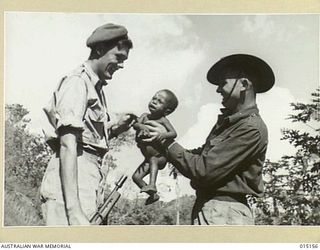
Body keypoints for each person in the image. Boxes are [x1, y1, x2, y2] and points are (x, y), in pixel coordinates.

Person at [144, 54, 275, 225]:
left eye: (223, 83)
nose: (218, 90)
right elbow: (201, 157)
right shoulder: (231, 123)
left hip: (223, 213)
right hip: (214, 210)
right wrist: (162, 149)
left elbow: (203, 170)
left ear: (243, 84)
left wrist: (165, 142)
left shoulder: (250, 128)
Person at [40, 23, 135, 226]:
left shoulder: (95, 88)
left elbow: (89, 137)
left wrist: (116, 127)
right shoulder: (78, 83)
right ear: (100, 50)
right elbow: (67, 144)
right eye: (118, 57)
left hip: (86, 179)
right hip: (72, 181)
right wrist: (74, 210)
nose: (121, 65)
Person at [132, 89, 178, 205]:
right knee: (136, 177)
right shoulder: (144, 116)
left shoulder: (163, 120)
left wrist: (162, 135)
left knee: (153, 159)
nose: (154, 102)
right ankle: (153, 195)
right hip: (148, 159)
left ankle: (152, 185)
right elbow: (135, 124)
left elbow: (173, 133)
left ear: (166, 111)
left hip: (159, 157)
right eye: (153, 99)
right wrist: (141, 126)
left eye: (159, 101)